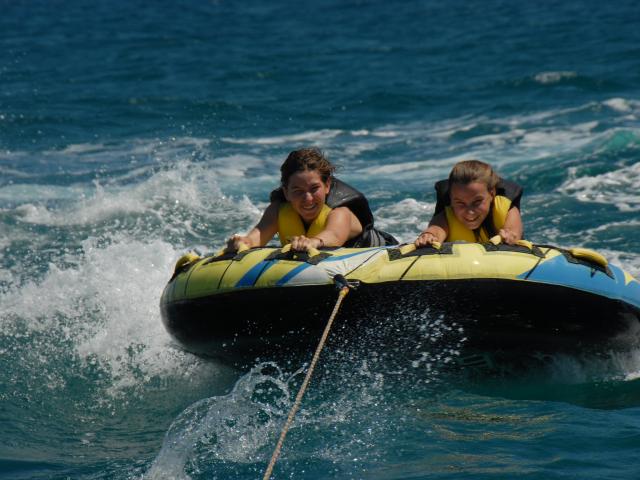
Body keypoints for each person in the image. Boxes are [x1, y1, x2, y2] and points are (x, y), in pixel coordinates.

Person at [227, 148, 397, 252]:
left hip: (383, 255)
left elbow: (334, 235)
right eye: (297, 191)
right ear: (286, 192)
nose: (307, 199)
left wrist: (313, 242)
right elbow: (257, 236)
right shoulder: (278, 211)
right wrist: (244, 242)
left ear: (327, 186)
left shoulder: (340, 212)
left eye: (314, 189)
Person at [415, 159, 523, 247]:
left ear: (492, 193)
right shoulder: (446, 216)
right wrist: (429, 236)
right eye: (460, 203)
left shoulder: (507, 209)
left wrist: (509, 235)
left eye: (477, 202)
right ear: (451, 199)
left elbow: (513, 231)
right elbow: (436, 230)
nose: (470, 212)